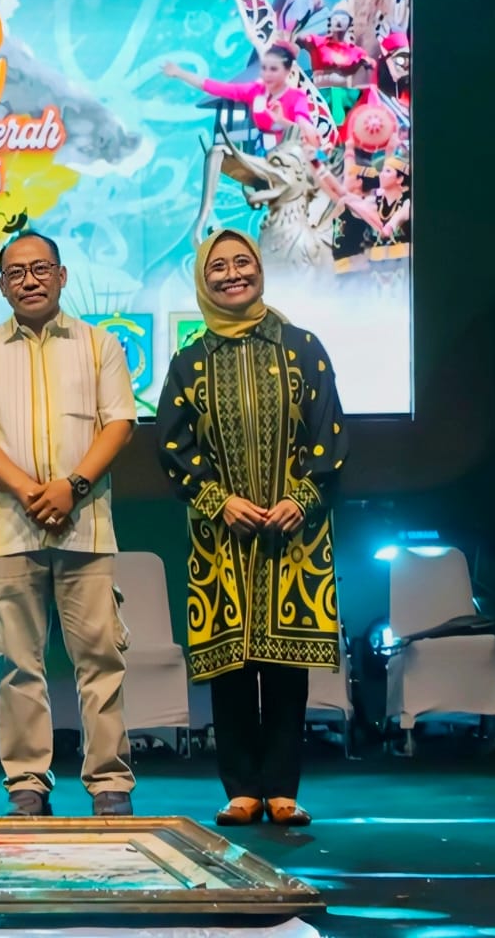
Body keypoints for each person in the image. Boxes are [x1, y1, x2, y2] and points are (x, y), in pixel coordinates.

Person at [154, 229, 347, 828]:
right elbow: (172, 446)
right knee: (230, 667)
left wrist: (301, 498)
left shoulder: (303, 348)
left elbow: (330, 433)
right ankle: (241, 788)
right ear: (202, 280)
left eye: (243, 262)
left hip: (294, 535)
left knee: (287, 668)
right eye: (219, 266)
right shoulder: (189, 361)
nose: (232, 274)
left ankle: (283, 788)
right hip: (222, 538)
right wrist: (219, 501)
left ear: (260, 270)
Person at [0, 231, 138, 818]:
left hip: (86, 526)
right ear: (2, 285)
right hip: (11, 528)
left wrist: (71, 487)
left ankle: (109, 782)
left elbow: (119, 423)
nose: (28, 280)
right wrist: (29, 491)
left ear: (61, 276)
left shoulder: (100, 344)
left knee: (101, 659)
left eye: (39, 269)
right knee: (16, 663)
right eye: (16, 273)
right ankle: (27, 782)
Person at [162, 44, 322, 150]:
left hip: (294, 154)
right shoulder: (255, 91)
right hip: (265, 152)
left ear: (288, 72)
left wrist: (280, 120)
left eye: (274, 69)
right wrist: (180, 73)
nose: (267, 74)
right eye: (264, 68)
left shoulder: (297, 97)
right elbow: (216, 88)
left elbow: (305, 128)